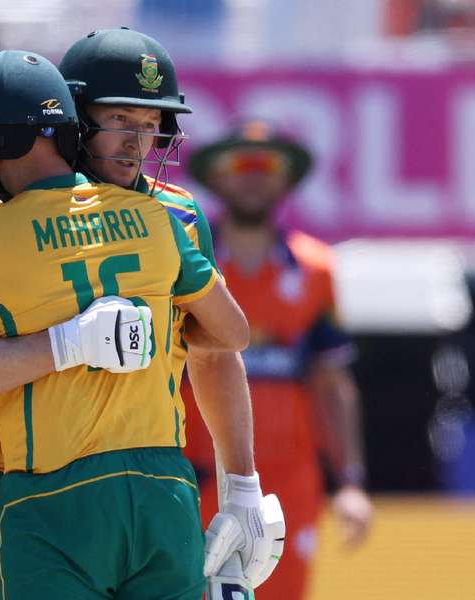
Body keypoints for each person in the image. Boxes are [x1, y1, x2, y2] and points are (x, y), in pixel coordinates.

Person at [0, 48, 254, 599]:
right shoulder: (165, 218)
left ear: (5, 139)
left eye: (149, 125)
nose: (138, 142)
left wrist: (51, 347)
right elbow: (230, 335)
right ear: (73, 120)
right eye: (120, 119)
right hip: (164, 491)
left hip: (48, 499)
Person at [184, 121, 375, 600]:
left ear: (287, 179)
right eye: (239, 164)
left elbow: (332, 382)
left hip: (288, 489)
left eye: (267, 164)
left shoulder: (315, 270)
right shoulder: (184, 261)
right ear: (216, 178)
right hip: (193, 479)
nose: (253, 176)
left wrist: (350, 482)